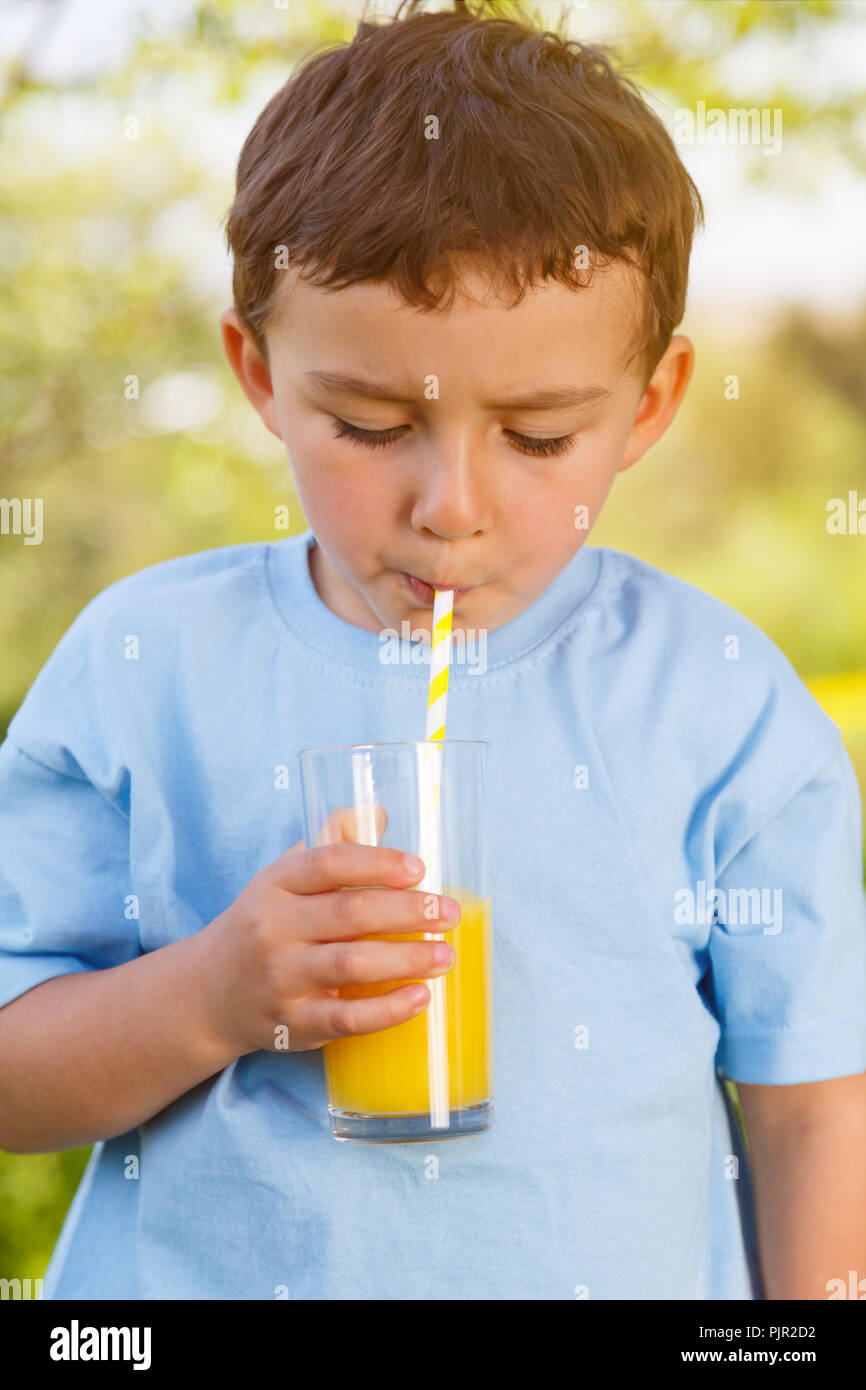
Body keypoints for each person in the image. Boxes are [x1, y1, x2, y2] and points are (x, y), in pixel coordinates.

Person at [1, 0, 864, 1300]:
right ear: (257, 374)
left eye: (536, 436)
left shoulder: (716, 700)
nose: (450, 506)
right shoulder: (144, 667)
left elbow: (810, 1102)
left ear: (650, 404)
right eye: (363, 421)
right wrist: (213, 995)